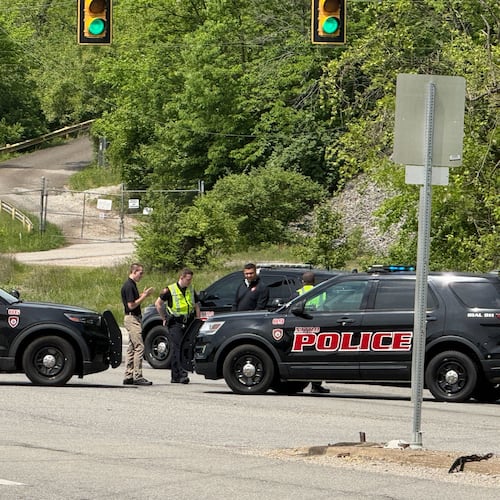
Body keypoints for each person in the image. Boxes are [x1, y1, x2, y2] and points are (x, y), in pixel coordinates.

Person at [155, 268, 200, 384]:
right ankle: (182, 374)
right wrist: (164, 317)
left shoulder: (190, 289)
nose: (189, 282)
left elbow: (196, 305)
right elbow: (158, 304)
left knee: (179, 348)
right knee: (179, 347)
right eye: (188, 280)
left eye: (190, 280)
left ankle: (175, 376)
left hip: (188, 321)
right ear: (181, 277)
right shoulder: (169, 290)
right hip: (175, 322)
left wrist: (198, 319)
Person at [297, 271, 330, 395]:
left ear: (302, 281)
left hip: (301, 326)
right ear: (314, 281)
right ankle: (316, 385)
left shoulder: (299, 293)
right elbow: (326, 307)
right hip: (317, 325)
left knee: (301, 356)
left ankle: (299, 384)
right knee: (317, 356)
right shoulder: (321, 293)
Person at [121, 263, 154, 385]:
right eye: (140, 273)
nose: (142, 275)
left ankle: (128, 375)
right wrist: (144, 296)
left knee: (131, 347)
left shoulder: (131, 285)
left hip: (132, 318)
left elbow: (133, 299)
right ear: (134, 272)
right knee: (140, 346)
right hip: (132, 319)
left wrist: (142, 294)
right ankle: (137, 376)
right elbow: (131, 305)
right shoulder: (129, 285)